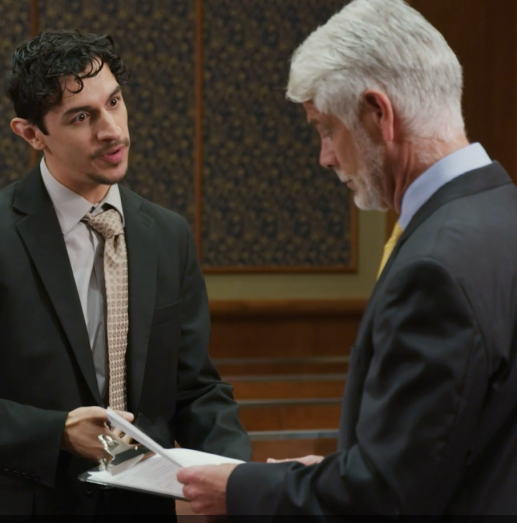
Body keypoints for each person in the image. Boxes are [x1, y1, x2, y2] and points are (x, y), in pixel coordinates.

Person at [176, 0, 517, 515]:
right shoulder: (503, 210)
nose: (326, 156)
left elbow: (386, 498)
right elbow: (451, 449)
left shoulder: (434, 268)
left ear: (379, 114)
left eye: (325, 128)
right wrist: (344, 469)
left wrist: (238, 488)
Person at [0, 30, 251, 518]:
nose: (112, 130)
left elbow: (196, 389)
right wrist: (56, 431)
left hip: (141, 510)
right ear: (31, 134)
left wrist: (239, 477)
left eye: (115, 103)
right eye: (81, 117)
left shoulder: (168, 236)